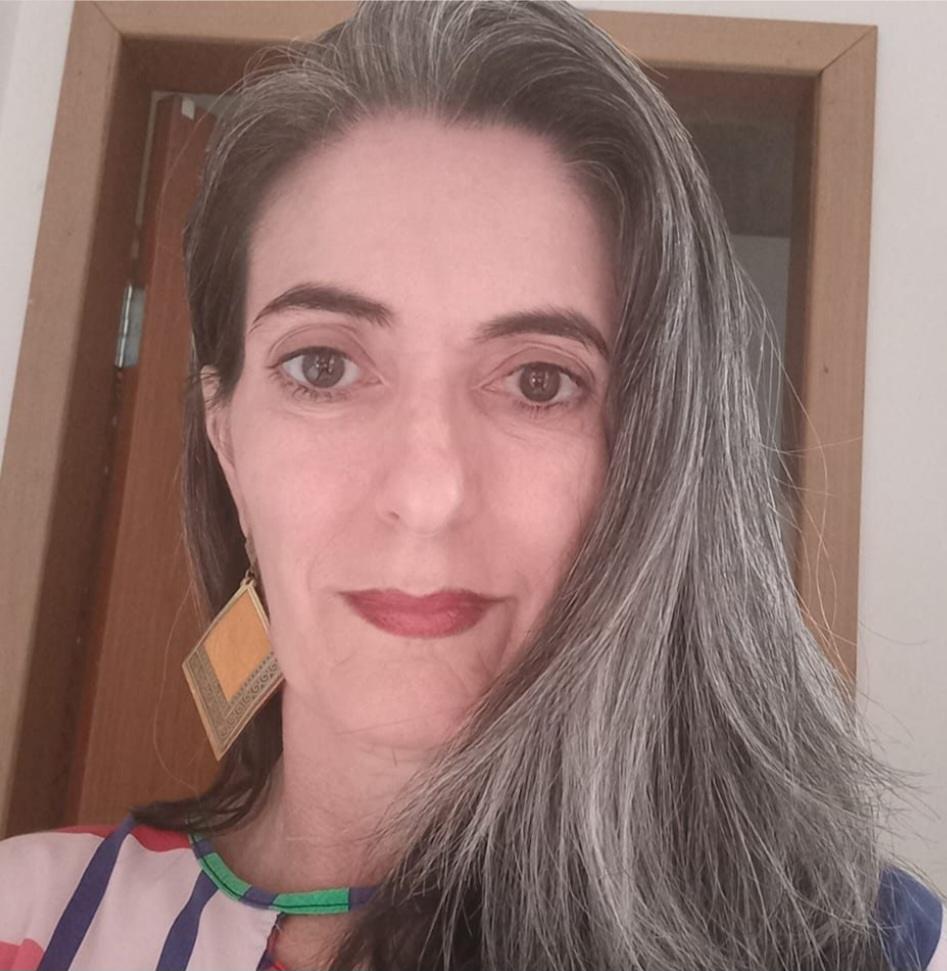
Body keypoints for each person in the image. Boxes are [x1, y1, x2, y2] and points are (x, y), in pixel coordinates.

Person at [1, 1, 944, 969]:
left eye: (539, 381)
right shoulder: (25, 914)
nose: (427, 492)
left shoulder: (870, 945)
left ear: (654, 456)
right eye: (323, 366)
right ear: (227, 444)